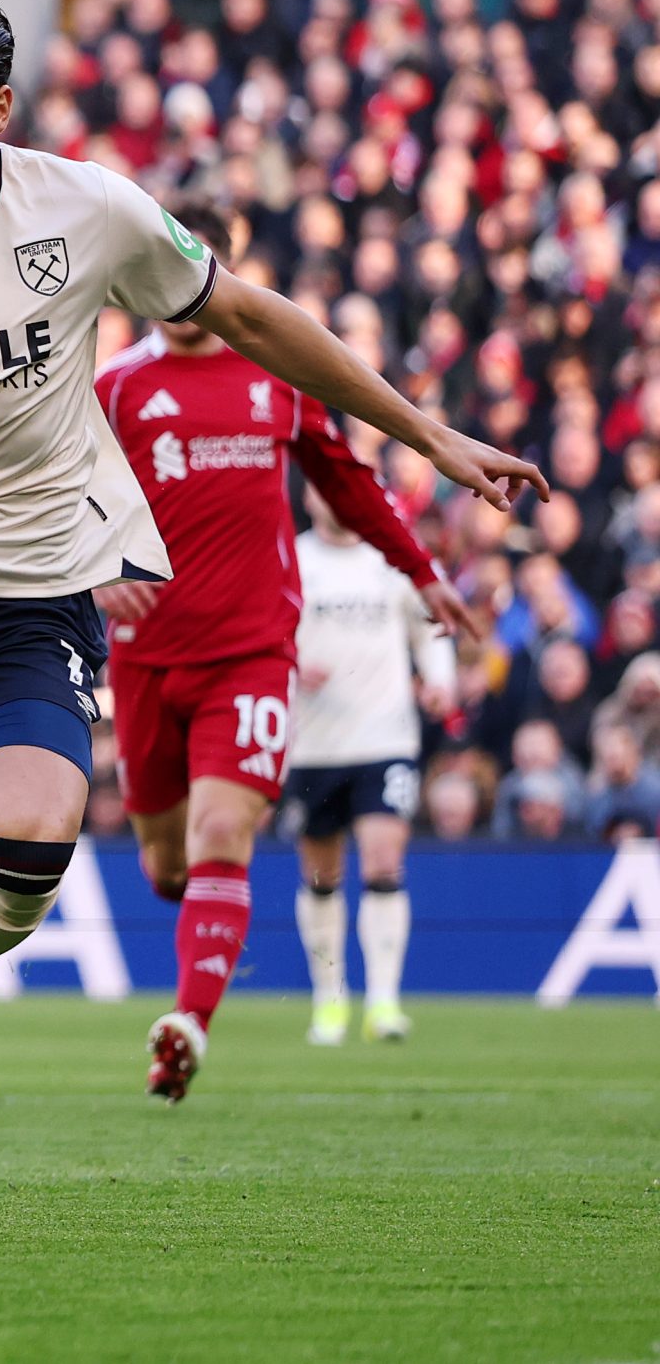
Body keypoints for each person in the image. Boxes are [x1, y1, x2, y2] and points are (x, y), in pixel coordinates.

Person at [0, 0, 540, 1218]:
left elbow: (248, 316)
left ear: (0, 108)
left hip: (32, 590)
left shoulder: (84, 211)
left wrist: (424, 432)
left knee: (33, 847)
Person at [92, 205, 473, 1100]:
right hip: (146, 658)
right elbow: (54, 498)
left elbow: (348, 479)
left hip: (253, 652)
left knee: (222, 832)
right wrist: (94, 568)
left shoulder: (277, 375)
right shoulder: (112, 389)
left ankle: (187, 1022)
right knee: (167, 864)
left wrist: (420, 573)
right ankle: (205, 944)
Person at [287, 492, 457, 1047]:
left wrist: (439, 680)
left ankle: (384, 1002)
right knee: (321, 876)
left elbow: (430, 623)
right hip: (312, 744)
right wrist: (287, 661)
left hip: (385, 736)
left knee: (384, 863)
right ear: (311, 497)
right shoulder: (291, 557)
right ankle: (329, 1000)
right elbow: (259, 627)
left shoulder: (391, 558)